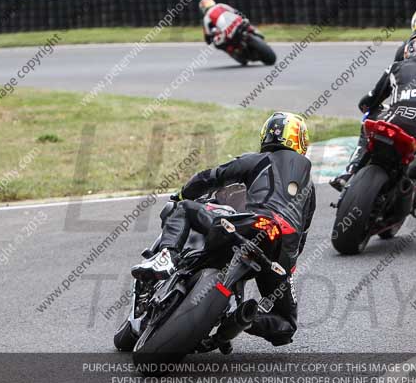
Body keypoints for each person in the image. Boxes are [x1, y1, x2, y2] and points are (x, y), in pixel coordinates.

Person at [132, 112, 316, 347]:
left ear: (267, 135)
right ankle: (245, 318)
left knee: (186, 209)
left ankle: (167, 256)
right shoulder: (309, 187)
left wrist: (182, 194)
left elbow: (214, 176)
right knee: (287, 325)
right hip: (282, 250)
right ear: (300, 141)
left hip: (254, 224)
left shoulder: (260, 160)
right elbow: (304, 234)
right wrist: (286, 267)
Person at [331, 34, 416, 191]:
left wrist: (364, 106)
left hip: (396, 123)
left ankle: (349, 171)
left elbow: (369, 102)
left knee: (370, 115)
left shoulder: (395, 67)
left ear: (407, 53)